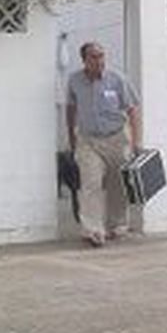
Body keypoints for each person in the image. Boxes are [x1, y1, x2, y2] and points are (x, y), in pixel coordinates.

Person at [65, 42, 141, 247]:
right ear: (84, 60)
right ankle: (93, 230)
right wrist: (72, 139)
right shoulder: (74, 81)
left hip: (116, 138)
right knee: (90, 183)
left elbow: (133, 110)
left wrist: (136, 141)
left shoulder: (118, 79)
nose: (99, 61)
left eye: (101, 56)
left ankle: (117, 225)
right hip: (88, 140)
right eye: (94, 57)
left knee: (118, 184)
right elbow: (71, 109)